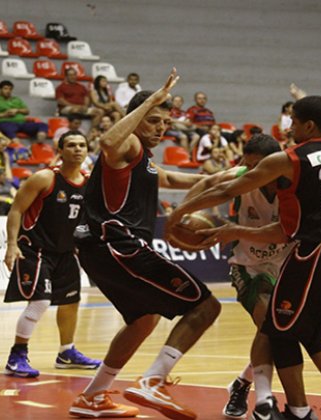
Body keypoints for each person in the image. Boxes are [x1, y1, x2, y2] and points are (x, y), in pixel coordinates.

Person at [168, 95, 321, 420]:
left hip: (318, 251)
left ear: (308, 125)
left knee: (279, 329)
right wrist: (234, 230)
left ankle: (296, 410)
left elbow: (228, 195)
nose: (287, 126)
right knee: (307, 330)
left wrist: (180, 212)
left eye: (292, 120)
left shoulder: (289, 160)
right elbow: (276, 224)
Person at [69, 70, 221, 419]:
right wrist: (151, 99)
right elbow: (107, 142)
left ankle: (92, 396)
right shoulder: (127, 144)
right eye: (154, 120)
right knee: (206, 307)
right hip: (117, 243)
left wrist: (221, 180)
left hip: (100, 248)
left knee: (144, 319)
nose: (160, 128)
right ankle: (152, 381)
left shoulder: (143, 158)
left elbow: (169, 177)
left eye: (165, 123)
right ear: (136, 119)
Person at [190, 134, 293, 419]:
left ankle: (241, 383)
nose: (253, 173)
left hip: (285, 264)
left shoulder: (296, 184)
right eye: (248, 166)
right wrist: (180, 214)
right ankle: (264, 401)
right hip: (247, 264)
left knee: (279, 332)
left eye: (258, 166)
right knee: (269, 324)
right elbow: (206, 183)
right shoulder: (241, 176)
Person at [3, 130, 101, 378]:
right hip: (34, 249)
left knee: (70, 302)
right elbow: (16, 210)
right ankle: (17, 355)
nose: (77, 149)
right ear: (60, 150)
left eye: (82, 145)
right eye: (71, 145)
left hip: (66, 252)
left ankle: (66, 352)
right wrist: (11, 245)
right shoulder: (44, 178)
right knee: (40, 302)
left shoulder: (90, 183)